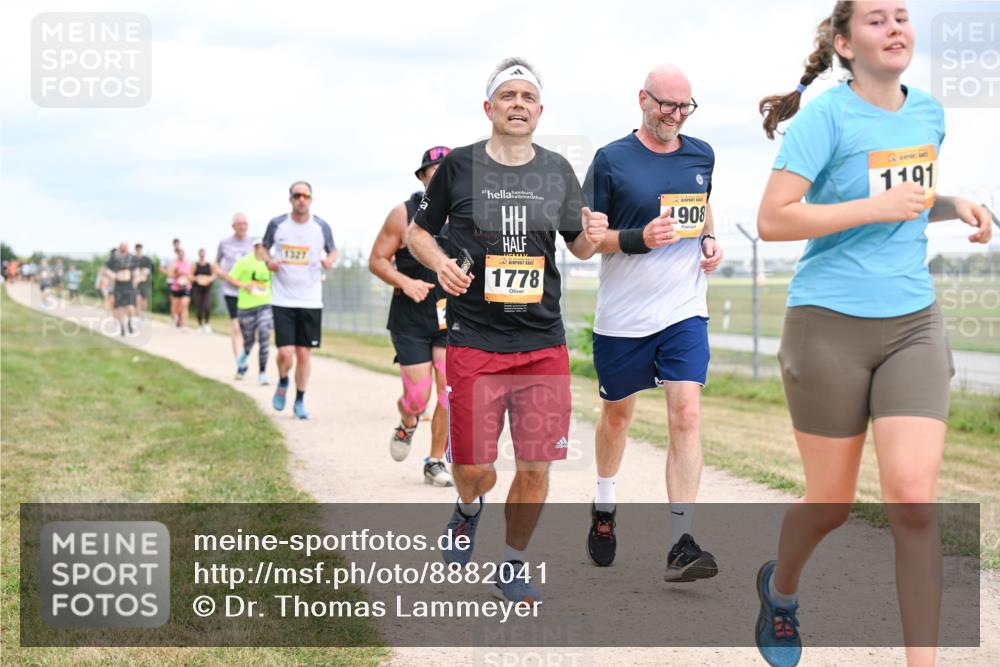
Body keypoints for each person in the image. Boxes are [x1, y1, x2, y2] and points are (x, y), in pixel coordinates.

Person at [753, 3, 993, 666]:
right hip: (827, 323)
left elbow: (905, 201)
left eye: (902, 16)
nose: (894, 28)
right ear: (844, 42)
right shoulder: (826, 117)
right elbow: (772, 220)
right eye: (876, 19)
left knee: (914, 500)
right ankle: (781, 588)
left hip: (913, 322)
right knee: (830, 503)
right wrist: (873, 208)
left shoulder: (930, 113)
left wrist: (955, 203)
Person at [408, 57, 608, 604]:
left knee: (537, 467)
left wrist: (594, 232)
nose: (518, 105)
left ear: (539, 111)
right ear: (489, 107)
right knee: (473, 468)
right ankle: (469, 507)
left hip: (543, 345)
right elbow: (416, 233)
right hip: (475, 341)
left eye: (527, 98)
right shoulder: (459, 169)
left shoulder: (557, 172)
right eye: (508, 96)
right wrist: (441, 262)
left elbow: (580, 247)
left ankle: (514, 563)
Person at [581, 64, 724, 583]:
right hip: (623, 316)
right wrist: (642, 236)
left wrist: (708, 239)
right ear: (643, 99)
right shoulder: (611, 161)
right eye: (667, 105)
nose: (676, 115)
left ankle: (680, 542)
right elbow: (588, 240)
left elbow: (702, 205)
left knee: (685, 414)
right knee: (617, 417)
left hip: (684, 309)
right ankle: (604, 502)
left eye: (686, 106)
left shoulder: (701, 152)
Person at [369, 145, 454, 487]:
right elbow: (376, 260)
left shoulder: (468, 216)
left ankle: (435, 461)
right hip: (411, 318)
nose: (442, 178)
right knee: (418, 398)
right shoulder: (402, 214)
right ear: (423, 177)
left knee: (450, 393)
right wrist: (406, 282)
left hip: (452, 317)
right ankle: (407, 421)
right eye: (435, 172)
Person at [259, 181, 337, 419]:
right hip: (283, 298)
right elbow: (262, 249)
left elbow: (333, 250)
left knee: (304, 354)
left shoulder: (321, 226)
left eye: (305, 195)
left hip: (311, 299)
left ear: (311, 199)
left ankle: (300, 400)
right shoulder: (277, 224)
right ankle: (283, 381)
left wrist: (329, 261)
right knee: (285, 353)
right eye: (297, 195)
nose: (301, 199)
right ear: (290, 199)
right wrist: (268, 261)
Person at [228, 238, 274, 384]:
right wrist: (243, 285)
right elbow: (231, 278)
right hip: (246, 307)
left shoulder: (271, 263)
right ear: (255, 247)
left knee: (264, 335)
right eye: (261, 246)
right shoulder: (244, 262)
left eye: (266, 246)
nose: (263, 249)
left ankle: (262, 373)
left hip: (265, 305)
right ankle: (242, 363)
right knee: (249, 341)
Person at [214, 214, 254, 360]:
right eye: (238, 224)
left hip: (250, 292)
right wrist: (221, 273)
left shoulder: (254, 243)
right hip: (231, 291)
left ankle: (245, 354)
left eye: (244, 223)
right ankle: (240, 362)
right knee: (236, 327)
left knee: (247, 329)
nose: (241, 226)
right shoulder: (224, 243)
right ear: (233, 226)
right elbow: (216, 263)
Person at [104, 241, 138, 336]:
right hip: (118, 285)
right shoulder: (114, 257)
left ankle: (129, 323)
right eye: (122, 247)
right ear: (119, 247)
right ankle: (122, 326)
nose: (123, 248)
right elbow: (106, 269)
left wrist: (136, 278)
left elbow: (136, 270)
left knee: (130, 307)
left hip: (129, 285)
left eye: (125, 247)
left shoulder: (132, 258)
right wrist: (113, 276)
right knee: (119, 307)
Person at [192, 248, 216, 333]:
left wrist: (210, 279)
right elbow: (190, 276)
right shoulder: (195, 265)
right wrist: (196, 278)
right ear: (199, 254)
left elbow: (214, 275)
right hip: (198, 288)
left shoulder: (209, 265)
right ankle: (200, 325)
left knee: (207, 306)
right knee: (199, 307)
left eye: (203, 254)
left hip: (207, 288)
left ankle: (206, 324)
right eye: (201, 254)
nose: (202, 255)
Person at [168, 248, 193, 329]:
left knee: (184, 305)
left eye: (182, 254)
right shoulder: (174, 264)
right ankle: (177, 319)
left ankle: (184, 324)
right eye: (179, 254)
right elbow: (170, 275)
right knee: (176, 307)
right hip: (176, 287)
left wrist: (188, 277)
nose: (181, 255)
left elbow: (191, 276)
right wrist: (176, 273)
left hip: (186, 287)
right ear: (178, 255)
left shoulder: (189, 264)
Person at [134, 243, 154, 321]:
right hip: (135, 282)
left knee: (144, 299)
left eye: (139, 249)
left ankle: (143, 314)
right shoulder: (132, 259)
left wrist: (139, 276)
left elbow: (147, 271)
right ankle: (137, 315)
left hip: (145, 282)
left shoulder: (146, 259)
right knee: (137, 298)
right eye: (137, 249)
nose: (138, 250)